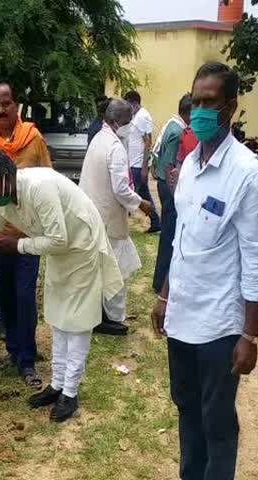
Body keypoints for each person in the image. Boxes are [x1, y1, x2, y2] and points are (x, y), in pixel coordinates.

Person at [146, 62, 258, 480]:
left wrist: (250, 334)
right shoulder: (190, 165)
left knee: (217, 419)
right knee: (185, 405)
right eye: (195, 102)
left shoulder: (247, 173)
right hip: (182, 314)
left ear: (230, 107)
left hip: (220, 325)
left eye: (209, 103)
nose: (200, 111)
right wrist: (163, 295)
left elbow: (257, 259)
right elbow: (180, 241)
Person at [0, 151, 123, 422]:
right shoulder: (2, 203)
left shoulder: (39, 188)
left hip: (81, 244)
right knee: (57, 315)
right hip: (59, 249)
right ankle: (56, 385)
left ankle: (71, 392)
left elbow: (59, 238)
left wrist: (18, 246)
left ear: (9, 177)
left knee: (76, 321)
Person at [0, 81, 52, 389]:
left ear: (15, 106)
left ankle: (28, 360)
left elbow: (48, 181)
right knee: (4, 298)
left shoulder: (34, 140)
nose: (1, 109)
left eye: (6, 103)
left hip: (27, 238)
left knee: (24, 297)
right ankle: (13, 350)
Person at [79, 98, 153, 336]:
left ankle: (99, 314)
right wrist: (142, 204)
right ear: (113, 121)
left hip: (92, 215)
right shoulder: (115, 147)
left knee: (102, 269)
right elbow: (121, 189)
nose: (130, 126)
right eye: (127, 122)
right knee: (117, 270)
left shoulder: (99, 139)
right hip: (108, 219)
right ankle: (111, 318)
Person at [152, 94, 192, 294]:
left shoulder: (171, 123)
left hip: (161, 183)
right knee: (169, 236)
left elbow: (157, 153)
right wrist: (176, 194)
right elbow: (170, 166)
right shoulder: (178, 131)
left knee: (168, 234)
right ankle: (161, 283)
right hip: (168, 188)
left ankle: (160, 281)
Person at [123, 90, 161, 234]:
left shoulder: (143, 116)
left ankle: (122, 223)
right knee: (142, 195)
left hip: (138, 165)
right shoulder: (135, 116)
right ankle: (156, 222)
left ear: (135, 104)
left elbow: (148, 142)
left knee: (131, 196)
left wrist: (145, 167)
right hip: (133, 163)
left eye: (128, 104)